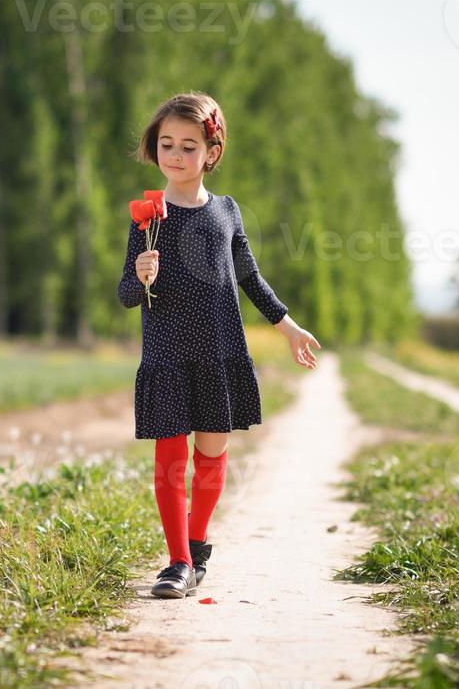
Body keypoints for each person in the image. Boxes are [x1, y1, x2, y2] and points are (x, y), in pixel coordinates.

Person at [117, 92, 321, 599]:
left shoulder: (226, 213)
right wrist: (141, 275)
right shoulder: (148, 219)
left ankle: (197, 541)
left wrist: (288, 326)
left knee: (212, 452)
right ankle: (178, 563)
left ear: (211, 151)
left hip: (218, 350)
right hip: (166, 353)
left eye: (189, 146)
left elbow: (250, 277)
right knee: (170, 459)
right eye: (167, 144)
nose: (176, 155)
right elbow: (126, 293)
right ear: (154, 147)